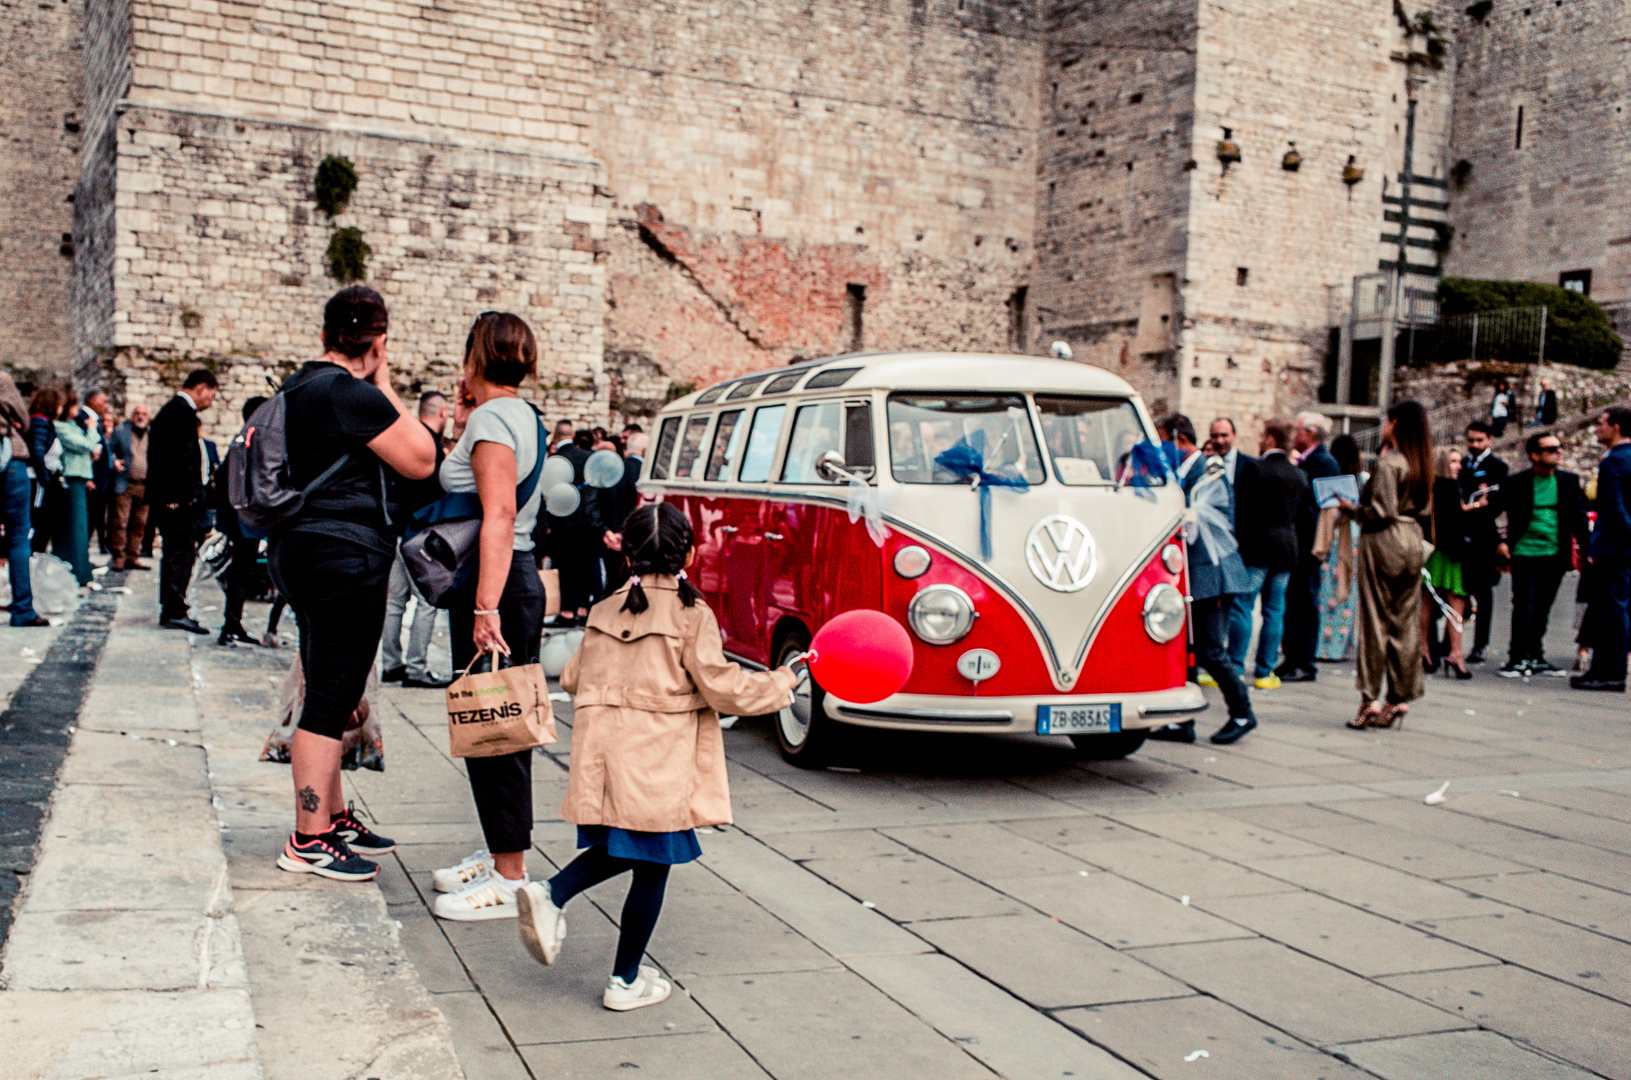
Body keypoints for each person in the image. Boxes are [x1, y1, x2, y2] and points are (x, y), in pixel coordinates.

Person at [514, 502, 798, 1010]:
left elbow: (574, 677)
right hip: (657, 758)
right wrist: (782, 683)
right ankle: (607, 960)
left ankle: (590, 936)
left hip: (605, 753)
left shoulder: (604, 610)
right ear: (689, 551)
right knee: (653, 862)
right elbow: (722, 689)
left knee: (635, 852)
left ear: (626, 551)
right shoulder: (693, 614)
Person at [270, 286, 436, 882]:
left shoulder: (298, 385)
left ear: (324, 334)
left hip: (298, 549)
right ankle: (308, 838)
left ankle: (333, 817)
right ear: (379, 340)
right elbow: (421, 457)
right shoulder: (349, 393)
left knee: (327, 680)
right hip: (344, 555)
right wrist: (384, 379)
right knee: (334, 696)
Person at [428, 313, 550, 920]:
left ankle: (510, 875)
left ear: (474, 354)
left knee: (498, 728)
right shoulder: (513, 414)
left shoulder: (495, 419)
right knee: (488, 725)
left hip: (498, 581)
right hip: (506, 579)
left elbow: (498, 515)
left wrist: (485, 607)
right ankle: (504, 852)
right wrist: (460, 418)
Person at [1154, 445, 1257, 744]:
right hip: (1195, 575)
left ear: (1181, 440)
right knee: (1186, 649)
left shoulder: (1206, 472)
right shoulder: (1186, 473)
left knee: (1210, 650)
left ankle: (1242, 713)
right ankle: (1182, 722)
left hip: (1212, 575)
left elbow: (1202, 523)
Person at [1339, 400, 1432, 729]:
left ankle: (1369, 699)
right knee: (1405, 623)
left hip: (1385, 540)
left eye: (1385, 420)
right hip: (1413, 537)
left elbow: (1380, 511)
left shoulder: (1387, 463)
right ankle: (1400, 697)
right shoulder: (1421, 462)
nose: (1382, 425)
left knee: (1375, 620)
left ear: (1395, 423)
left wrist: (1352, 508)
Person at [1490, 430, 1588, 678]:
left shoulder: (1568, 481)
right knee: (1523, 605)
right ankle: (1517, 656)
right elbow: (1489, 514)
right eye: (1552, 449)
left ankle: (1536, 654)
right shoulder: (1517, 482)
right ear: (1535, 455)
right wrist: (1499, 542)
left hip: (1555, 552)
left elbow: (1579, 519)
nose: (1559, 453)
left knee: (1544, 606)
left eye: (1560, 447)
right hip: (1525, 551)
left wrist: (1587, 551)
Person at [380, 390, 450, 688]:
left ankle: (391, 664)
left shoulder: (403, 439)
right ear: (442, 413)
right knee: (426, 601)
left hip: (393, 530)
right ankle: (416, 667)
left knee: (394, 602)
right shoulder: (431, 446)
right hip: (419, 534)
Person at [148, 369, 219, 632]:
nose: (210, 402)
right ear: (201, 388)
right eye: (210, 395)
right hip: (177, 500)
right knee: (180, 554)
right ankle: (174, 609)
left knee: (176, 553)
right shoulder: (182, 413)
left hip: (170, 498)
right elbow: (183, 461)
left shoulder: (171, 411)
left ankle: (174, 607)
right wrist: (193, 497)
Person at [1247, 419, 1309, 690]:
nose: (1260, 440)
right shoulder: (1299, 475)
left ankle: (1236, 666)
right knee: (1275, 610)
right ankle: (1264, 671)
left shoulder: (1257, 469)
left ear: (1270, 439)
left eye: (1262, 435)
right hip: (1286, 547)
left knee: (1244, 608)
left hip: (1258, 546)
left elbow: (1246, 510)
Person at [1572, 407, 1631, 692]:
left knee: (1611, 610)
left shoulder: (1613, 462)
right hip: (1621, 546)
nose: (1596, 429)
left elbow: (1614, 506)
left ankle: (1610, 671)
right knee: (1614, 608)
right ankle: (1605, 669)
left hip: (1614, 547)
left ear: (1616, 427)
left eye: (1600, 423)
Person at [1278, 411, 1339, 682]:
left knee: (1305, 601)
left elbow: (1312, 500)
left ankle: (1304, 662)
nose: (1294, 435)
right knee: (1294, 601)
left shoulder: (1323, 462)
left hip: (1309, 541)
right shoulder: (1309, 460)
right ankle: (1291, 657)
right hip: (1298, 540)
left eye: (1298, 430)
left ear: (1310, 434)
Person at [1207, 417, 1263, 680]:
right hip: (1213, 548)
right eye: (1215, 435)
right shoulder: (1204, 465)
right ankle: (1217, 661)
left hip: (1244, 548)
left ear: (1234, 435)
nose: (1219, 441)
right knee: (1216, 608)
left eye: (1224, 435)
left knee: (1241, 605)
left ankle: (1237, 665)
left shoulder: (1251, 466)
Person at [1423, 447, 1480, 679]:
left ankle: (1423, 649)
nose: (1459, 465)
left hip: (1432, 552)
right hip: (1451, 553)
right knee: (1456, 604)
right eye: (1454, 461)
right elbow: (1455, 521)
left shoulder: (1428, 486)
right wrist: (1473, 508)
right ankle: (1456, 653)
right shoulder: (1449, 486)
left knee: (1426, 600)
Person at [216, 397, 268, 648]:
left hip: (240, 516)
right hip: (246, 517)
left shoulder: (243, 437)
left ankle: (233, 624)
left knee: (242, 570)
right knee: (241, 570)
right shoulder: (253, 439)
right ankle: (230, 626)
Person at [0, 373, 48, 626]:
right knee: (18, 537)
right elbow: (25, 420)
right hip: (10, 462)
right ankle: (22, 610)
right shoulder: (2, 379)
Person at [1458, 421, 1508, 664]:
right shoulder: (1463, 464)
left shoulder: (1497, 466)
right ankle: (1452, 640)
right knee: (1458, 589)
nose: (1474, 445)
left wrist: (1476, 509)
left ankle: (1480, 644)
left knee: (1483, 592)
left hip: (1483, 536)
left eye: (1479, 440)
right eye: (1471, 440)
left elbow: (1497, 504)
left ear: (1489, 440)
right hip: (1461, 534)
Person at [1316, 435, 1364, 662]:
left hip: (1332, 536)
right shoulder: (1362, 480)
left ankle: (1321, 646)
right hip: (1353, 537)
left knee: (1325, 593)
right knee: (1347, 593)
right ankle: (1341, 646)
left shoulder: (1329, 477)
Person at [52, 388, 102, 586]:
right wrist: (92, 429)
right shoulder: (61, 426)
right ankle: (78, 572)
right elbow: (86, 444)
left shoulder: (71, 425)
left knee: (79, 527)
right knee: (76, 527)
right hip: (72, 478)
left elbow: (91, 446)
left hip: (80, 477)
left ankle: (79, 569)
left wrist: (91, 446)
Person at [546, 430, 595, 626]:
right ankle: (583, 610)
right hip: (585, 521)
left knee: (565, 567)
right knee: (584, 566)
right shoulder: (586, 457)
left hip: (562, 522)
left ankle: (567, 611)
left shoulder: (555, 460)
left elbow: (548, 492)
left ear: (556, 438)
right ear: (572, 435)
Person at [586, 430, 643, 597]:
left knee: (613, 580)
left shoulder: (605, 474)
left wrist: (606, 531)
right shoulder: (641, 471)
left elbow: (592, 505)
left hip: (610, 536)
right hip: (630, 536)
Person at [107, 402, 152, 571]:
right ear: (132, 416)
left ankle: (133, 556)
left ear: (148, 417)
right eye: (137, 413)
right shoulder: (120, 432)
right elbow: (107, 451)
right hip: (125, 483)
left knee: (140, 524)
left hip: (145, 485)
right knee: (120, 522)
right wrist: (113, 462)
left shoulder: (152, 434)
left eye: (144, 414)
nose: (140, 417)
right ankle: (118, 556)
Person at [27, 387, 61, 556]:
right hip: (38, 480)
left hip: (42, 478)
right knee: (38, 522)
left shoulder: (44, 422)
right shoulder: (40, 422)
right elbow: (37, 451)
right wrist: (46, 480)